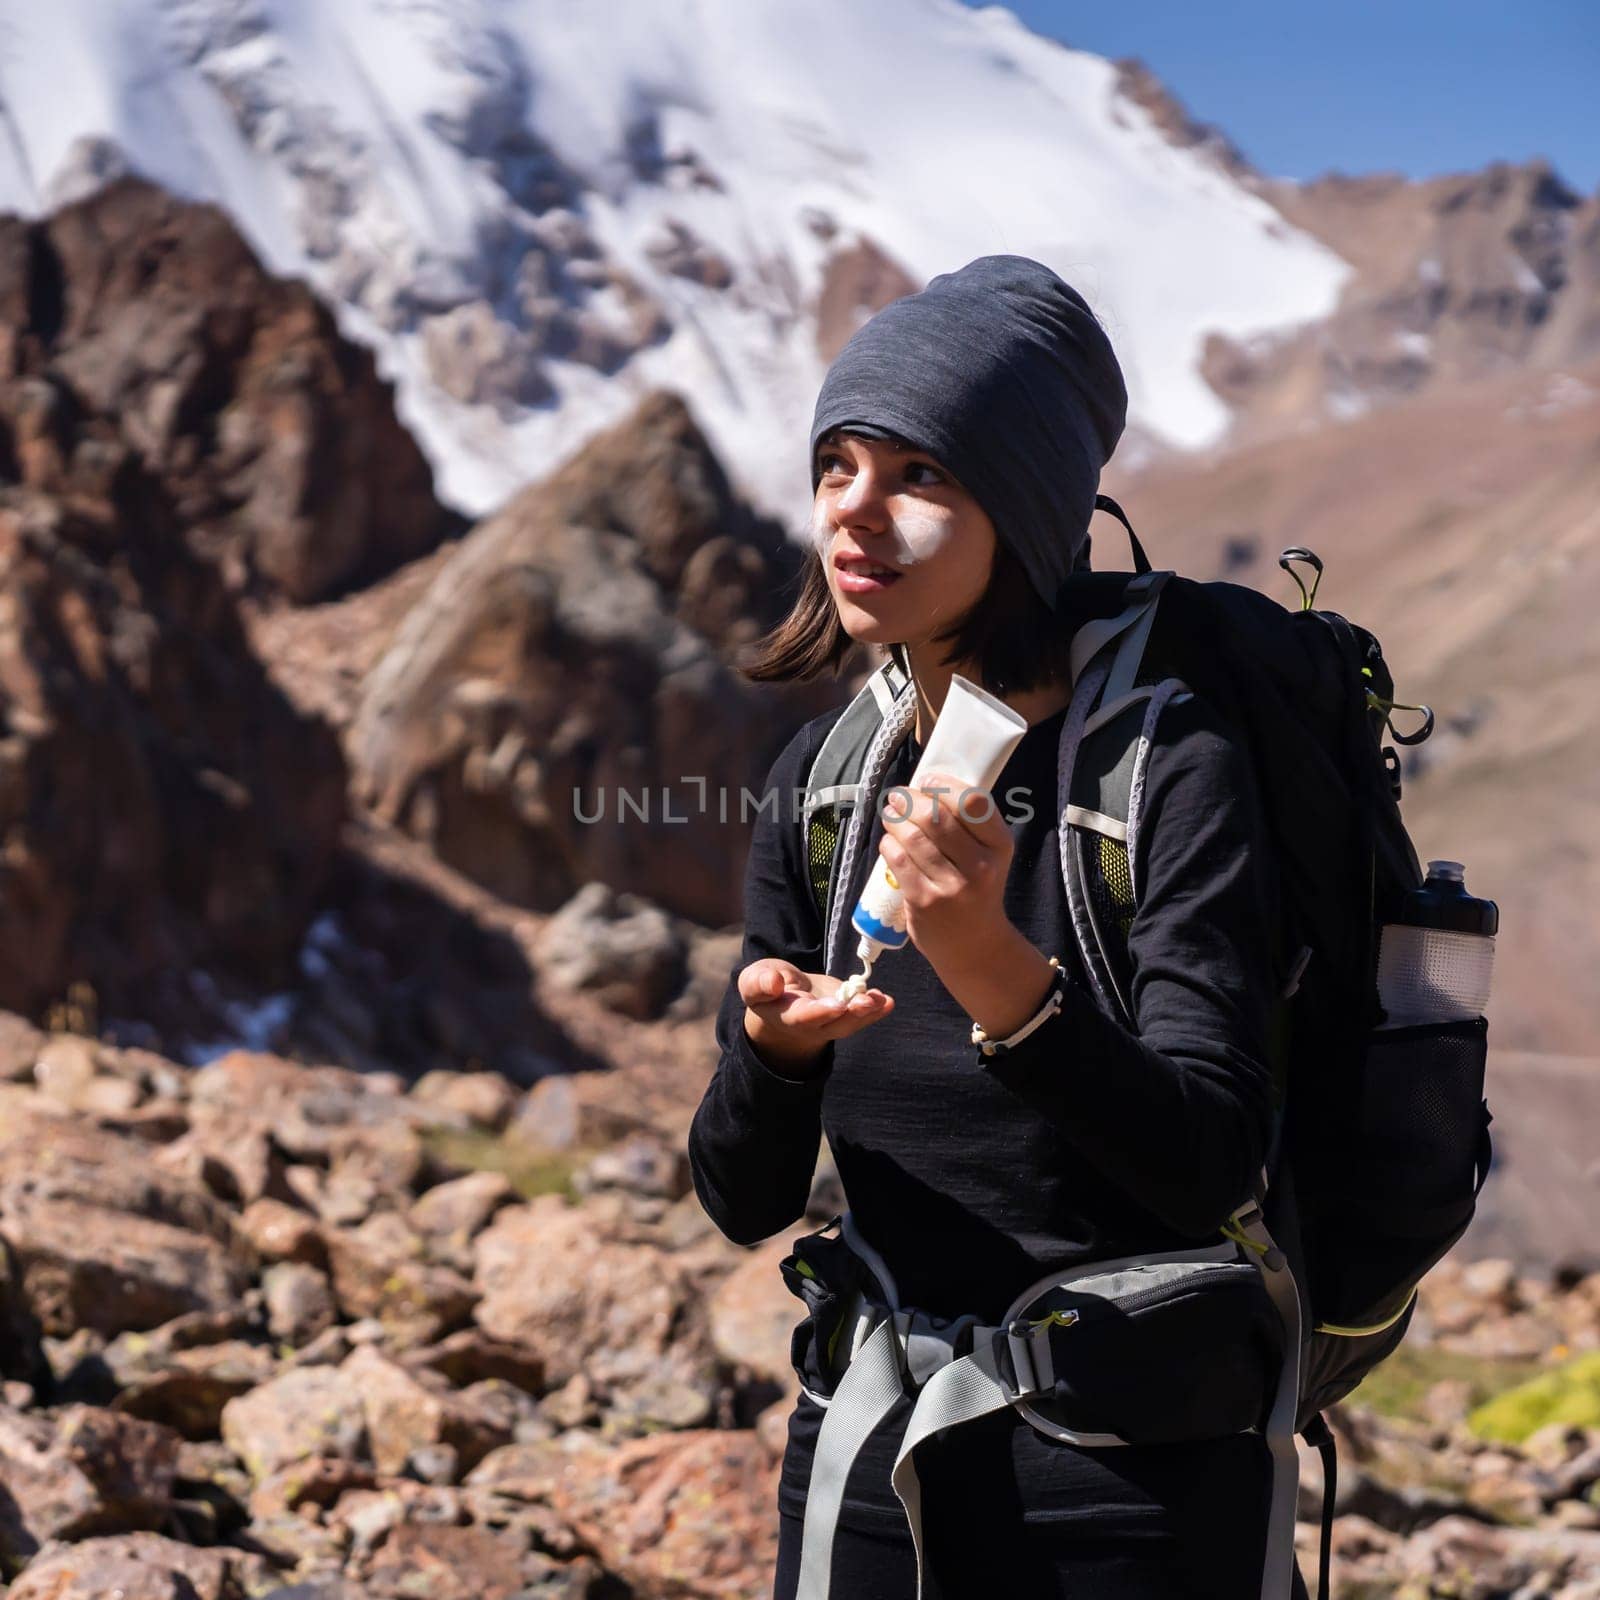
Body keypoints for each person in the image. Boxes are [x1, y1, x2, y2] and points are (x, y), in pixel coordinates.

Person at [687, 256, 1309, 1599]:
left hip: (1133, 1481)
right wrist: (774, 1053)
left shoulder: (1167, 761)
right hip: (867, 1442)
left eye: (922, 476)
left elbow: (1208, 1159)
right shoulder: (830, 777)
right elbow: (741, 1198)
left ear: (1022, 513)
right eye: (839, 464)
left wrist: (998, 979)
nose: (858, 514)